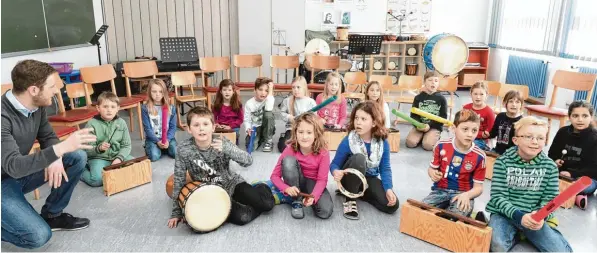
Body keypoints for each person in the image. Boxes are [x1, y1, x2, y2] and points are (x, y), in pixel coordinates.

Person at [1, 60, 96, 249]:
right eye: (52, 87)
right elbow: (14, 166)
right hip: (5, 178)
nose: (56, 92)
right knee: (38, 236)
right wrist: (59, 150)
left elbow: (48, 136)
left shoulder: (37, 106)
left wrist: (56, 158)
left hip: (17, 175)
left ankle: (53, 215)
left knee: (76, 157)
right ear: (33, 90)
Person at [168, 106, 274, 229]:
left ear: (213, 127)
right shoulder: (183, 149)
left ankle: (261, 186)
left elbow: (248, 161)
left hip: (233, 184)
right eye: (196, 125)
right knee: (243, 217)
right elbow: (179, 179)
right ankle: (248, 203)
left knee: (267, 205)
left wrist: (228, 150)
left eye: (205, 124)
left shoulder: (223, 143)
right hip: (211, 193)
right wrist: (176, 212)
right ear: (189, 129)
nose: (201, 128)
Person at [486, 116, 572, 252]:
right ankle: (518, 235)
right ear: (515, 140)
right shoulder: (502, 162)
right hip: (505, 215)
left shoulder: (550, 166)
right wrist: (519, 216)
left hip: (535, 217)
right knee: (498, 246)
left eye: (540, 138)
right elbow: (498, 198)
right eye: (528, 137)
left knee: (561, 251)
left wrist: (541, 215)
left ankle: (525, 233)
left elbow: (551, 199)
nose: (534, 142)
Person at [330, 101, 398, 220]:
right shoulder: (349, 140)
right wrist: (336, 172)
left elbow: (385, 168)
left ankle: (361, 194)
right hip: (349, 177)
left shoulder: (383, 143)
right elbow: (335, 164)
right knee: (359, 158)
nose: (358, 122)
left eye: (363, 119)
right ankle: (350, 198)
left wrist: (388, 189)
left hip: (368, 178)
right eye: (356, 118)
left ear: (374, 123)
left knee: (392, 206)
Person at [422, 109, 485, 217]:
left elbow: (478, 188)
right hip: (439, 191)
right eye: (465, 129)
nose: (470, 134)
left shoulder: (480, 156)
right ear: (453, 129)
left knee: (457, 216)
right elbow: (432, 168)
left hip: (463, 194)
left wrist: (467, 195)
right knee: (421, 209)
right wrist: (432, 173)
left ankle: (466, 215)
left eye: (474, 130)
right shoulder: (441, 145)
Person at [270, 112, 333, 219]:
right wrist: (286, 188)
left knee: (325, 212)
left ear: (316, 134)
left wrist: (313, 196)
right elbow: (274, 176)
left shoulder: (324, 152)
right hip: (293, 181)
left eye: (309, 132)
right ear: (295, 133)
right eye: (300, 132)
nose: (304, 137)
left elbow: (322, 180)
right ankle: (295, 201)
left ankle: (287, 195)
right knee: (288, 161)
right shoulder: (290, 148)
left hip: (313, 182)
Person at [548, 101, 597, 209]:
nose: (580, 119)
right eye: (575, 116)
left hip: (585, 178)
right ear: (569, 117)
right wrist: (555, 161)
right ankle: (577, 197)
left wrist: (571, 173)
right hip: (560, 174)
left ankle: (568, 193)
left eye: (584, 116)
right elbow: (551, 154)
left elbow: (594, 169)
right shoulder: (562, 132)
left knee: (582, 185)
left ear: (591, 117)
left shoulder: (595, 137)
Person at [82, 92, 134, 187]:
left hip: (117, 157)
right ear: (98, 108)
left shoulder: (121, 123)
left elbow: (126, 145)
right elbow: (87, 150)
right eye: (105, 106)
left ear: (118, 108)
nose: (109, 110)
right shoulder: (91, 124)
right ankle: (81, 170)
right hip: (98, 158)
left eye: (113, 107)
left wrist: (119, 158)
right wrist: (99, 148)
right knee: (97, 180)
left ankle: (114, 171)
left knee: (135, 166)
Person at [404, 71, 448, 151]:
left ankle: (431, 137)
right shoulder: (418, 97)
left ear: (438, 84)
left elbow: (443, 117)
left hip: (434, 126)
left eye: (436, 81)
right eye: (430, 80)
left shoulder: (442, 99)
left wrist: (429, 126)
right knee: (410, 143)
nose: (433, 83)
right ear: (424, 82)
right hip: (420, 125)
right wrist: (418, 124)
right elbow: (413, 115)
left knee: (428, 146)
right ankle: (423, 136)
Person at [277, 76, 316, 152]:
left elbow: (314, 117)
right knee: (283, 147)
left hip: (306, 130)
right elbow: (282, 113)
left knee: (313, 146)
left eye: (298, 87)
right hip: (292, 129)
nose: (295, 90)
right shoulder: (287, 101)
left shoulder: (311, 102)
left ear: (304, 88)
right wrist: (289, 117)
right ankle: (284, 137)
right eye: (293, 87)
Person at [141, 79, 177, 161]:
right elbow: (147, 128)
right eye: (154, 91)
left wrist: (167, 140)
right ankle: (151, 147)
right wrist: (157, 141)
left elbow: (173, 127)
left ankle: (163, 148)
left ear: (164, 92)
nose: (157, 94)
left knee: (176, 153)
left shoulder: (171, 108)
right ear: (150, 92)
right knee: (154, 156)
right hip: (153, 139)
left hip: (168, 138)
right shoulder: (145, 108)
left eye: (160, 91)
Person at [243, 77, 276, 152]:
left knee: (268, 114)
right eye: (260, 89)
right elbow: (247, 119)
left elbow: (268, 109)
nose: (263, 93)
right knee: (251, 148)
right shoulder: (249, 103)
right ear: (255, 90)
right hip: (255, 128)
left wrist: (270, 92)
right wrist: (248, 128)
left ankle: (268, 140)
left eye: (266, 91)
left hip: (267, 127)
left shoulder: (269, 100)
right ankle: (260, 138)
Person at [488, 90, 523, 155]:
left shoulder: (522, 121)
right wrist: (485, 133)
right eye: (511, 101)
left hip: (512, 155)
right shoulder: (500, 116)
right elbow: (493, 133)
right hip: (497, 151)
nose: (514, 104)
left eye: (517, 102)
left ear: (521, 105)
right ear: (504, 103)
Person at [463, 81, 495, 151]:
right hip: (466, 135)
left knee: (469, 147)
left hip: (480, 139)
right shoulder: (466, 108)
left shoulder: (489, 112)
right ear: (471, 94)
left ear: (486, 95)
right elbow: (461, 124)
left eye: (481, 94)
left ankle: (485, 149)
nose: (478, 97)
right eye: (475, 94)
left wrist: (482, 134)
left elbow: (490, 131)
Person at [213, 79, 244, 145]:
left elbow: (240, 119)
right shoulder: (217, 104)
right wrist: (216, 124)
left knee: (231, 140)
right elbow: (214, 117)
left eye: (229, 90)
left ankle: (234, 138)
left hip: (233, 127)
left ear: (233, 91)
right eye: (224, 90)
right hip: (221, 127)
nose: (227, 92)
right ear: (221, 91)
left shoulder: (238, 104)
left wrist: (230, 126)